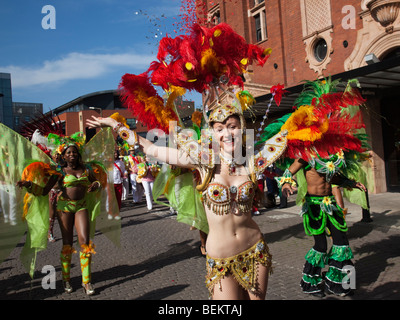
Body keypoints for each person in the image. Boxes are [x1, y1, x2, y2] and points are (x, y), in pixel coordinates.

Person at [86, 101, 287, 300]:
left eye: (232, 127)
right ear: (213, 135)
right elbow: (148, 147)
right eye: (219, 129)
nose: (226, 134)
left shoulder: (252, 161)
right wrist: (115, 125)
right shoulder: (203, 162)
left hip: (254, 249)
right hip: (221, 256)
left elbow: (292, 137)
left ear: (241, 129)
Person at [17, 138, 104, 295]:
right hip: (64, 208)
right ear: (63, 156)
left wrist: (96, 185)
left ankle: (87, 281)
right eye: (68, 152)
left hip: (81, 206)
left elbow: (97, 183)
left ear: (78, 154)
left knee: (84, 241)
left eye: (74, 152)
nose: (72, 154)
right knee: (67, 243)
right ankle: (66, 279)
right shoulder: (59, 172)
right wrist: (29, 185)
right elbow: (44, 191)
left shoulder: (86, 169)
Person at [113, 149, 126, 216]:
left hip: (118, 182)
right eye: (114, 153)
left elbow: (124, 171)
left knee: (118, 199)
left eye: (116, 153)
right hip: (110, 184)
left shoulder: (120, 163)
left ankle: (117, 213)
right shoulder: (107, 163)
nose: (115, 154)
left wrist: (125, 173)